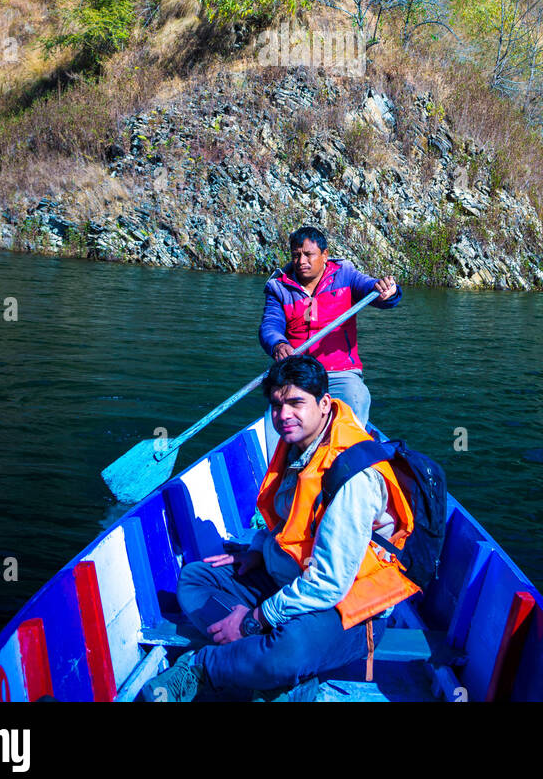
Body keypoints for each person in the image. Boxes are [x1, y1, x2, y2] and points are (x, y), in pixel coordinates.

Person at [149, 354, 420, 701]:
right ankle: (272, 670)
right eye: (277, 405)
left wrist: (251, 620)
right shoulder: (297, 445)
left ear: (324, 404)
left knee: (294, 646)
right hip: (288, 579)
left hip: (349, 604)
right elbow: (284, 518)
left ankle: (204, 667)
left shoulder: (353, 474)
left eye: (296, 402)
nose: (283, 415)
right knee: (195, 579)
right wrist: (259, 550)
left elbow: (329, 584)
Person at [258, 225, 402, 453]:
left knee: (356, 399)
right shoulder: (278, 287)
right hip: (295, 374)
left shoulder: (344, 274)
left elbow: (371, 289)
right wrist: (278, 344)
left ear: (324, 255)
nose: (301, 261)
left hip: (340, 372)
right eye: (296, 255)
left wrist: (387, 291)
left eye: (308, 254)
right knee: (277, 424)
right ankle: (284, 469)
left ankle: (344, 461)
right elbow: (270, 326)